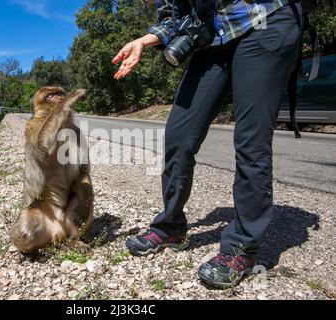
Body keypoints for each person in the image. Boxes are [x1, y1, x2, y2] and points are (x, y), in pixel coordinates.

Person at [112, 0, 303, 288]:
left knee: (251, 142)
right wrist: (143, 40)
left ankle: (242, 247)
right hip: (212, 40)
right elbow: (173, 17)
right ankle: (171, 226)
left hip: (265, 20)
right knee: (179, 134)